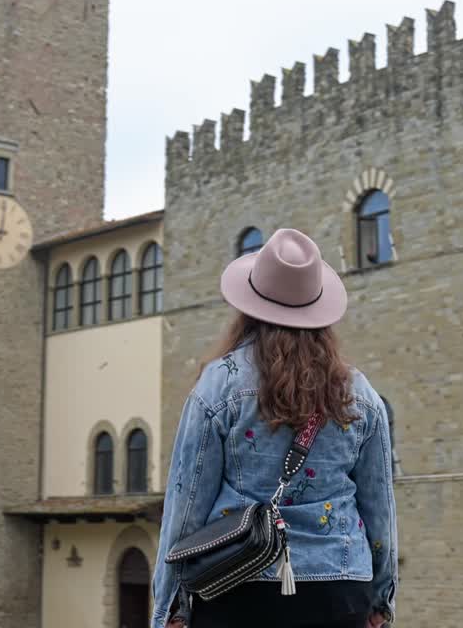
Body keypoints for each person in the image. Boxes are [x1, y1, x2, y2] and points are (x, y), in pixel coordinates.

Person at [152, 228, 398, 628]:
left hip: (238, 583)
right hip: (341, 588)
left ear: (248, 308)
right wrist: (381, 598)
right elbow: (380, 508)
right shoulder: (361, 394)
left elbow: (185, 506)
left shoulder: (218, 386)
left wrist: (170, 607)